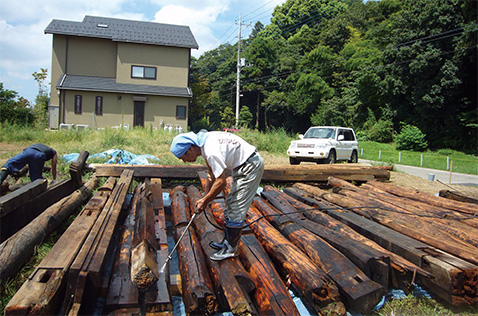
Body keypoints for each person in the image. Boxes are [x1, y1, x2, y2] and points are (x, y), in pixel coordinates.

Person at [170, 130, 264, 261]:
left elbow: (221, 182)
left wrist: (206, 200)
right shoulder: (204, 142)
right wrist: (205, 195)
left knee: (236, 207)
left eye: (183, 157)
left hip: (250, 165)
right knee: (231, 203)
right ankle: (227, 243)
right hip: (243, 165)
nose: (185, 161)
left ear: (190, 149)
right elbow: (211, 173)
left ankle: (231, 249)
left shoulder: (210, 150)